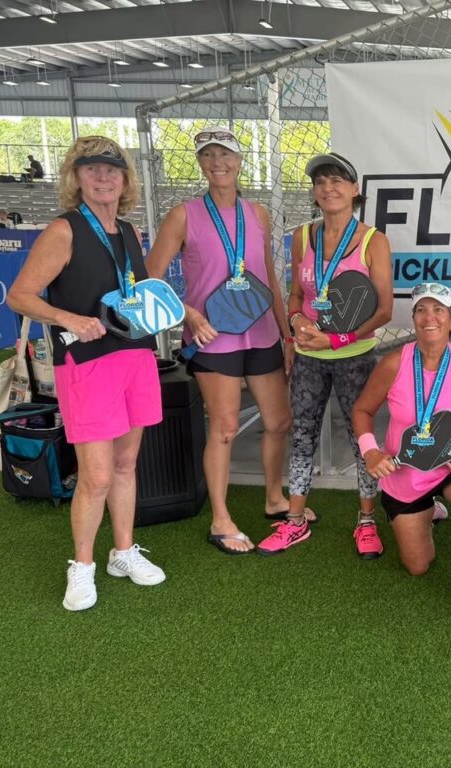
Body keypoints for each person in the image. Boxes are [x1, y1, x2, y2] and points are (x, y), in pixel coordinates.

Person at [7, 136, 165, 611]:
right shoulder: (64, 230)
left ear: (125, 180)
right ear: (76, 178)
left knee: (125, 465)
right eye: (92, 169)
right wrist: (70, 319)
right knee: (95, 476)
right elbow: (20, 296)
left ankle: (122, 552)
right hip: (87, 366)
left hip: (135, 358)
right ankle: (82, 565)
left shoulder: (131, 233)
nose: (103, 177)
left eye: (112, 170)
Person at [147, 125, 293, 555]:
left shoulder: (258, 213)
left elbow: (270, 279)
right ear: (200, 163)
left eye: (225, 154)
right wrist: (188, 314)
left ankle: (273, 497)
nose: (218, 163)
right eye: (208, 156)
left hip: (262, 332)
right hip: (213, 340)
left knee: (278, 422)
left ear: (239, 161)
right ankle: (220, 518)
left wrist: (285, 336)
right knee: (226, 428)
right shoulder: (183, 214)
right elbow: (149, 280)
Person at [256, 152, 394, 557]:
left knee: (360, 438)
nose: (328, 188)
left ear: (354, 190)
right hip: (309, 357)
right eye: (321, 182)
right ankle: (295, 522)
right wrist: (298, 323)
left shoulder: (373, 240)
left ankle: (366, 521)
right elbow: (297, 296)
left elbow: (384, 309)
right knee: (302, 436)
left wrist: (335, 340)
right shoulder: (303, 237)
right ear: (315, 193)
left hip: (355, 357)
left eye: (337, 180)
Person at [351, 283, 451, 622]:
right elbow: (362, 410)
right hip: (407, 475)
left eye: (438, 310)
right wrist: (371, 453)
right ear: (414, 319)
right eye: (421, 309)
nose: (429, 317)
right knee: (418, 566)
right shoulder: (393, 364)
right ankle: (429, 511)